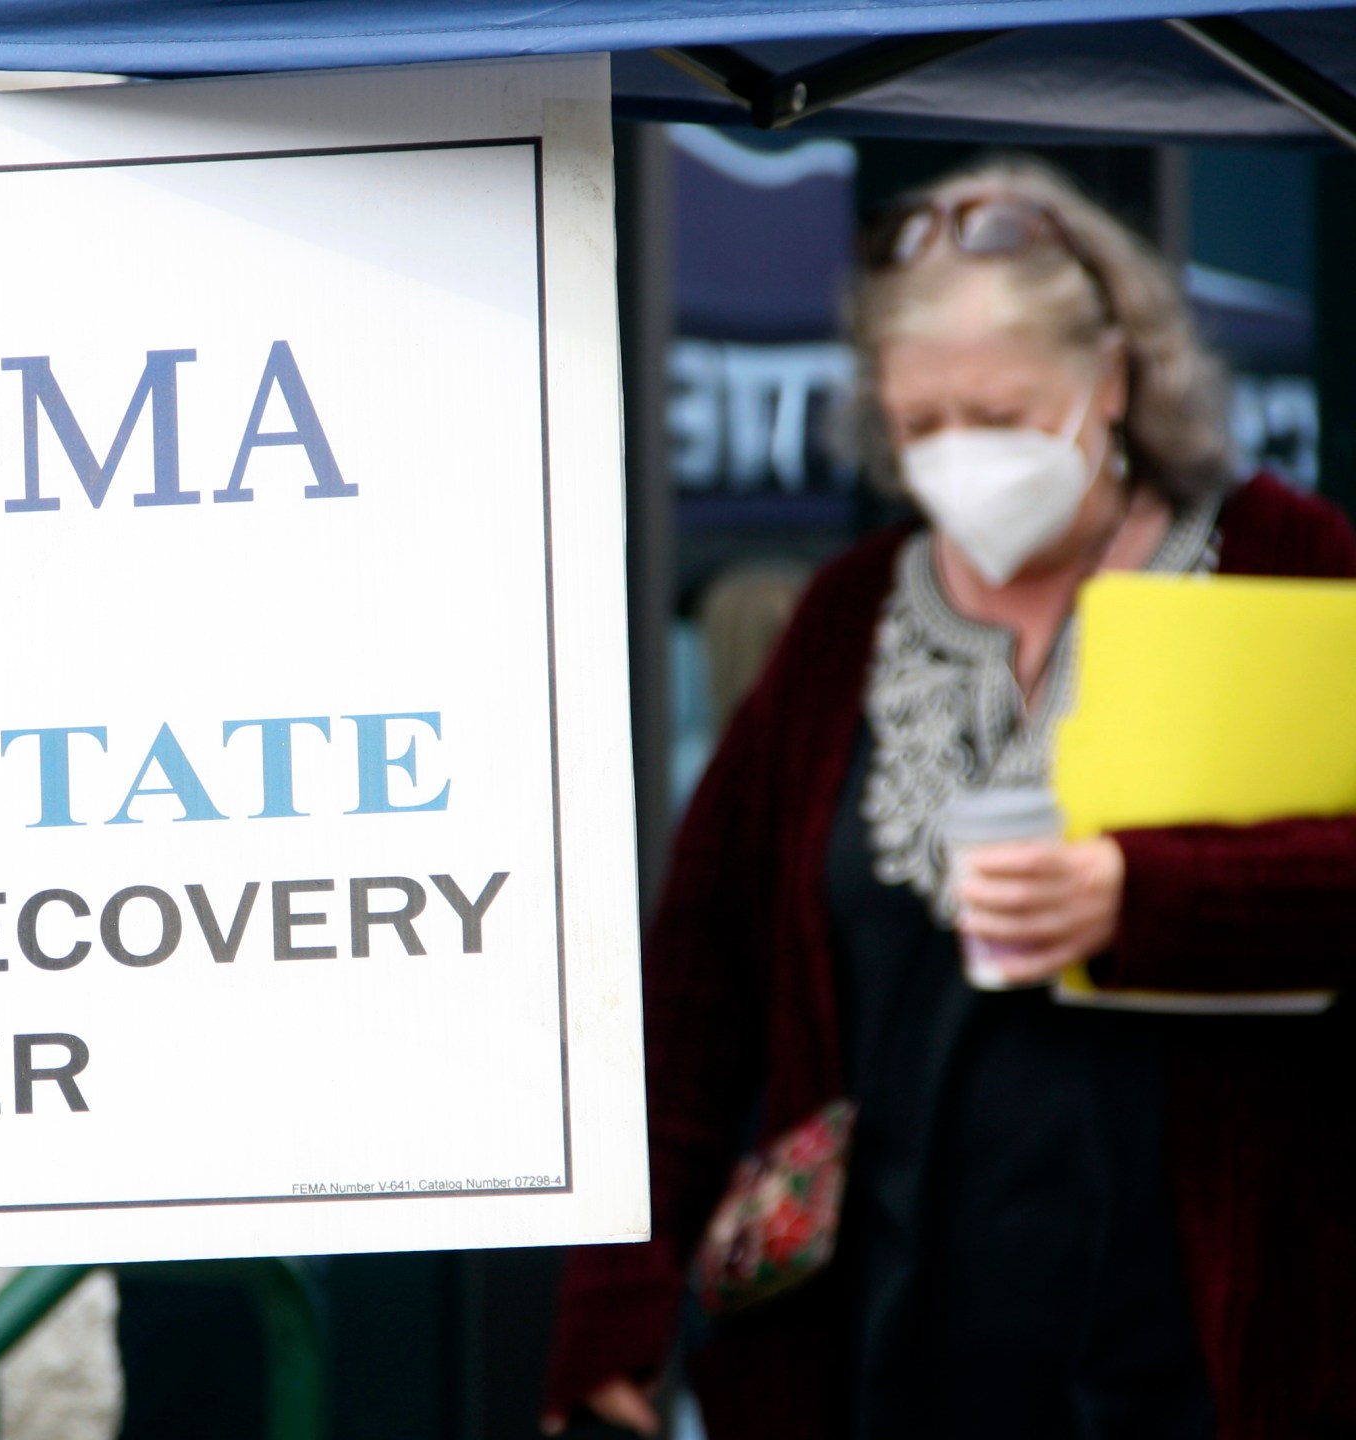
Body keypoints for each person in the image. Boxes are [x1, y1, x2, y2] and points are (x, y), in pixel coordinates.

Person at [544, 157, 1356, 1440]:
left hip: (1214, 1328)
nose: (960, 456)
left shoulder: (1288, 558)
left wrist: (1152, 895)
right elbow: (694, 988)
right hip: (890, 1333)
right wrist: (616, 1307)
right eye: (921, 425)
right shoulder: (844, 616)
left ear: (1114, 381)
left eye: (1002, 413)